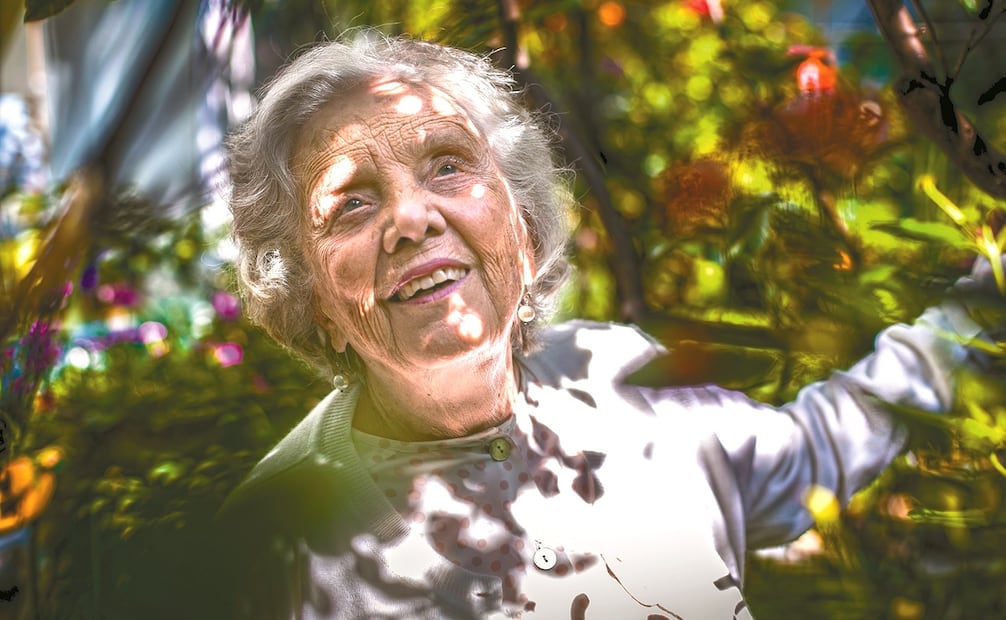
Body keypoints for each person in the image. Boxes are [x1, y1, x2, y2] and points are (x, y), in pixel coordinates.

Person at [218, 33, 995, 619]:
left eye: (448, 165)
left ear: (521, 224)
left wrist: (986, 303)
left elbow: (817, 446)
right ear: (313, 294)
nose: (413, 218)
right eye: (352, 203)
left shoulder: (616, 372)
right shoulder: (277, 546)